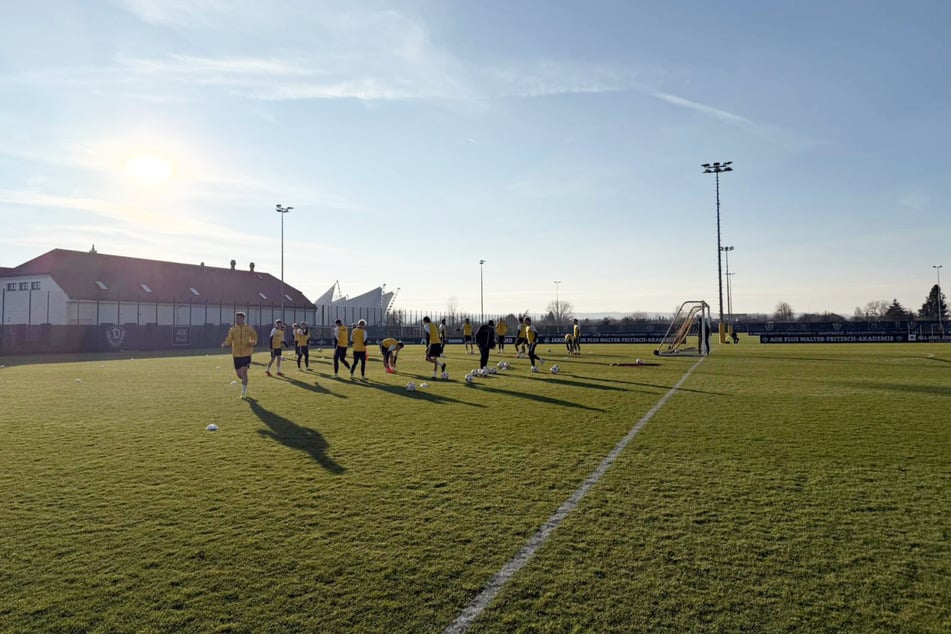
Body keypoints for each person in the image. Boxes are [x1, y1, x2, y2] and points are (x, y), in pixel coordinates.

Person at [222, 311, 257, 399]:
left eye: (238, 318)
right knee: (239, 374)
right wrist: (225, 343)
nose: (237, 320)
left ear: (243, 319)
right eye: (236, 318)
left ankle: (244, 391)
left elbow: (254, 336)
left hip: (247, 353)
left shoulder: (249, 328)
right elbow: (229, 339)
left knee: (244, 372)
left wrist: (253, 342)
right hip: (236, 354)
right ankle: (245, 382)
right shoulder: (233, 329)